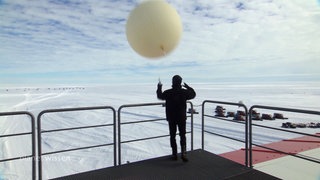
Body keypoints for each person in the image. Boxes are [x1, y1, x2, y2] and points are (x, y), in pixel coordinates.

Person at [157, 75, 196, 162]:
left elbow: (160, 96)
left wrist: (159, 86)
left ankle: (174, 154)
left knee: (172, 136)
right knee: (182, 135)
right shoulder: (184, 92)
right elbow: (193, 94)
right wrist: (188, 87)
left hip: (171, 118)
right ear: (180, 82)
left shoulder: (168, 92)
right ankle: (184, 153)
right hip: (181, 117)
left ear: (172, 82)